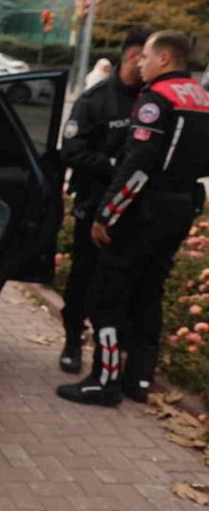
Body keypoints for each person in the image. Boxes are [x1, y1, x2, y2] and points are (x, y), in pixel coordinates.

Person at [58, 31, 209, 407]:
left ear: (163, 59)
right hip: (181, 207)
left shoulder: (156, 99)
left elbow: (137, 167)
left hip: (144, 210)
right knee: (149, 293)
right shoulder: (201, 98)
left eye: (146, 57)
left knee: (106, 297)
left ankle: (104, 381)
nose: (139, 63)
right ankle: (138, 378)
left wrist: (107, 215)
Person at [57, 27, 150, 373]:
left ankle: (111, 352)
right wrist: (113, 165)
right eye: (148, 56)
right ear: (132, 57)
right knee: (83, 277)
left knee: (122, 283)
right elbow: (71, 150)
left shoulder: (153, 100)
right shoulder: (95, 100)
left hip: (134, 208)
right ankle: (72, 342)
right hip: (94, 203)